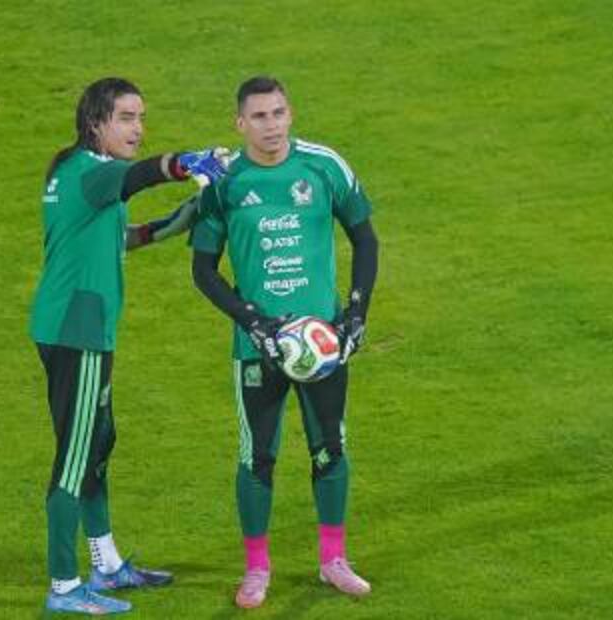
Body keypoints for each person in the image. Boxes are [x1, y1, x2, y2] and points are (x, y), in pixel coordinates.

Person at [30, 76, 227, 615]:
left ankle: (107, 562)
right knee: (75, 458)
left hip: (76, 326)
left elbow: (117, 238)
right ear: (96, 122)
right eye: (126, 118)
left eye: (141, 118)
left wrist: (176, 222)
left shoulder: (79, 176)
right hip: (79, 333)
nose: (137, 129)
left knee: (98, 444)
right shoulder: (95, 173)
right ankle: (65, 587)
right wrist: (187, 162)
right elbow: (140, 176)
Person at [190, 76, 379, 609]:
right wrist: (252, 320)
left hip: (322, 342)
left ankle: (333, 561)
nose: (270, 126)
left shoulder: (324, 166)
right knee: (258, 457)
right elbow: (204, 270)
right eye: (258, 117)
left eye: (277, 114)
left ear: (290, 113)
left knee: (330, 448)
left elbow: (364, 237)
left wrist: (356, 313)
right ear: (239, 124)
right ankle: (256, 570)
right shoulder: (226, 183)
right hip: (259, 348)